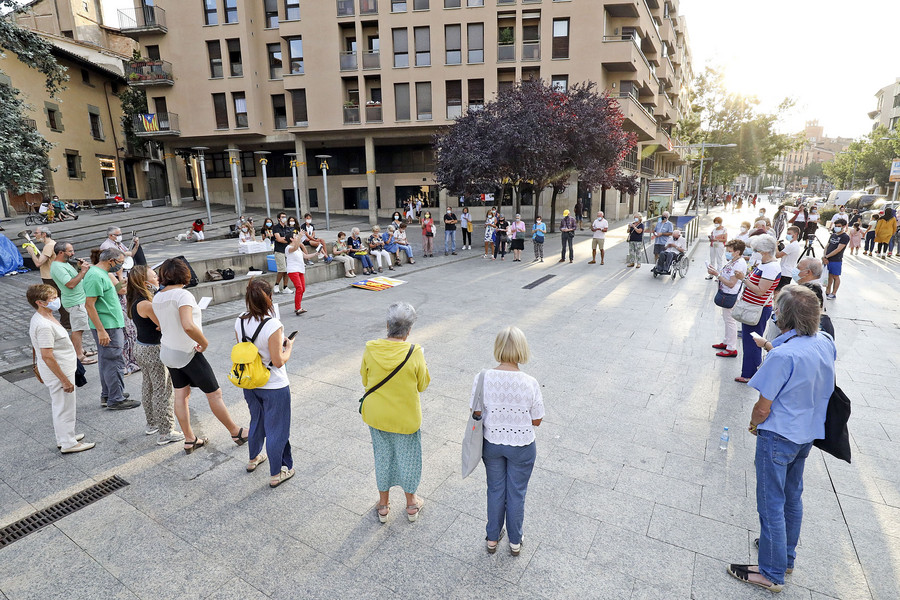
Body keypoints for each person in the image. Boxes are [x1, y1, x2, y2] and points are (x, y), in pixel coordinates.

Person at [727, 285, 835, 594]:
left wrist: (751, 424)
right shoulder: (824, 342)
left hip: (778, 435)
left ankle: (771, 572)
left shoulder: (783, 355)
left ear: (782, 317)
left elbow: (763, 408)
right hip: (807, 433)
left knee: (770, 502)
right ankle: (785, 557)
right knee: (791, 495)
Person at [153, 258, 247, 454]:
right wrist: (204, 343)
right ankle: (235, 432)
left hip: (168, 351)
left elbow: (162, 324)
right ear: (184, 273)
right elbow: (187, 325)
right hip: (188, 352)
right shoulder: (183, 295)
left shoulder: (158, 296)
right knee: (214, 393)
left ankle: (189, 439)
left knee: (181, 394)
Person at [472, 326, 544, 555]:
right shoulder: (530, 382)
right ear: (522, 350)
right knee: (516, 492)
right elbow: (537, 420)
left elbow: (475, 412)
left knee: (495, 489)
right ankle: (515, 541)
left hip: (491, 443)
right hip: (522, 445)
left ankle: (492, 538)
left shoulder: (482, 377)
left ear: (498, 348)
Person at [360, 302, 431, 524]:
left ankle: (383, 505)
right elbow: (423, 385)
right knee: (408, 459)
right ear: (409, 331)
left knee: (382, 457)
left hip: (377, 416)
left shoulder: (371, 348)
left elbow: (365, 380)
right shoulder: (414, 352)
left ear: (387, 325)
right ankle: (411, 504)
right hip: (406, 419)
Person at [235, 279, 296, 487]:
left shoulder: (239, 320)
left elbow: (245, 352)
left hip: (250, 382)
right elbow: (278, 361)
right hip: (274, 385)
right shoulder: (273, 324)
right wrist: (289, 348)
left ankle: (253, 459)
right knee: (277, 429)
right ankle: (277, 473)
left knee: (257, 421)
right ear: (269, 298)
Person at [27, 284, 95, 453]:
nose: (57, 300)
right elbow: (47, 355)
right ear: (40, 302)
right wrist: (64, 380)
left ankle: (65, 436)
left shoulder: (46, 316)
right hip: (59, 372)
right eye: (52, 298)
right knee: (64, 406)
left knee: (62, 405)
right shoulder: (43, 324)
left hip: (63, 368)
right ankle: (68, 443)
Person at [125, 266, 183, 445]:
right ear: (145, 282)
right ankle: (166, 431)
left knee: (149, 386)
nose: (157, 278)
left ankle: (152, 423)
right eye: (154, 276)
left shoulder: (135, 300)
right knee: (162, 389)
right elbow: (162, 325)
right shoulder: (147, 304)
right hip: (153, 350)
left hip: (142, 347)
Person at [83, 249, 140, 410]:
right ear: (111, 261)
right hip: (107, 326)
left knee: (107, 361)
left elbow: (107, 295)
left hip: (110, 324)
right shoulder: (95, 275)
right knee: (114, 361)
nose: (122, 264)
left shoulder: (102, 274)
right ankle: (116, 398)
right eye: (120, 261)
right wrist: (101, 330)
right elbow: (90, 305)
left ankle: (109, 393)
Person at [735, 235, 780, 384]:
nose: (755, 253)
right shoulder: (764, 264)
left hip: (757, 309)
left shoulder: (772, 267)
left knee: (752, 341)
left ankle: (750, 373)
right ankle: (749, 370)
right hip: (751, 307)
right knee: (749, 340)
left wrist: (743, 279)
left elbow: (761, 290)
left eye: (757, 250)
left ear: (765, 251)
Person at [50, 242, 96, 365]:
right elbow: (70, 284)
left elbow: (74, 277)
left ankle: (81, 350)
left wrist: (80, 268)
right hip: (74, 302)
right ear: (61, 253)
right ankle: (79, 355)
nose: (73, 253)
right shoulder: (58, 267)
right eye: (70, 251)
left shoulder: (65, 263)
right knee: (78, 329)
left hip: (78, 300)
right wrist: (83, 271)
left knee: (79, 328)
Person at [26, 226, 71, 331]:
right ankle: (67, 322)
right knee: (59, 298)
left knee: (56, 299)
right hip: (52, 275)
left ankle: (66, 323)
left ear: (44, 234)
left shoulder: (48, 246)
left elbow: (38, 263)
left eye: (36, 233)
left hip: (49, 277)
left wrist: (31, 252)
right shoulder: (52, 244)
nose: (34, 235)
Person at [708, 240, 747, 358]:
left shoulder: (739, 264)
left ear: (737, 252)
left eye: (730, 251)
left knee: (730, 321)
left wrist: (717, 275)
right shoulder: (733, 261)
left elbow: (731, 283)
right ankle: (726, 342)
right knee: (726, 319)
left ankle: (731, 347)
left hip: (731, 294)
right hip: (726, 293)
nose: (727, 253)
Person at [286, 229, 318, 316]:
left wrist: (315, 254)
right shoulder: (288, 248)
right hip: (293, 270)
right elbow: (294, 247)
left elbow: (306, 256)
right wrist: (300, 236)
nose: (296, 237)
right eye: (295, 237)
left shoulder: (298, 249)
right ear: (291, 239)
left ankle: (298, 306)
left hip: (300, 269)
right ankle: (298, 308)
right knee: (299, 288)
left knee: (302, 289)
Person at [822, 218, 849, 300]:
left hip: (836, 260)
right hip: (827, 259)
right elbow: (827, 245)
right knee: (829, 276)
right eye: (836, 226)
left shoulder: (845, 237)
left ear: (843, 226)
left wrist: (827, 256)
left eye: (839, 226)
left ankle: (834, 293)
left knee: (835, 276)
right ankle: (827, 291)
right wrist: (824, 256)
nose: (837, 227)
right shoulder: (833, 235)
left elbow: (838, 249)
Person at [774, 226, 801, 291]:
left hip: (785, 272)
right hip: (787, 271)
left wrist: (775, 246)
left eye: (789, 234)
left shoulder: (792, 245)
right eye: (787, 233)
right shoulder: (794, 245)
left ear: (796, 234)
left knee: (778, 291)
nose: (787, 235)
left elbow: (778, 255)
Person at [271, 212, 293, 294]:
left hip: (287, 250)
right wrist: (286, 239)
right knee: (282, 269)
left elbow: (291, 239)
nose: (284, 218)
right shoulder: (276, 228)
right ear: (278, 218)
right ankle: (276, 284)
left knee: (287, 270)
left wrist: (285, 239)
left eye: (285, 217)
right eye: (282, 217)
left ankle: (285, 287)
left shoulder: (287, 228)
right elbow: (279, 239)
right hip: (279, 251)